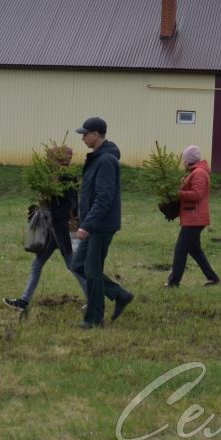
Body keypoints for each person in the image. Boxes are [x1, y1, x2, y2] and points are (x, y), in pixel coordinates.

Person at [3, 146, 88, 314]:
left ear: (58, 159)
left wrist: (51, 213)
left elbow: (71, 206)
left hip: (62, 230)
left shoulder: (66, 178)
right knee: (37, 265)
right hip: (51, 232)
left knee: (73, 266)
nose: (47, 161)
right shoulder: (53, 178)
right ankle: (24, 301)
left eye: (50, 158)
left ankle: (93, 299)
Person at [71, 117, 134, 329]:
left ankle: (94, 318)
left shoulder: (106, 160)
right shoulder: (98, 158)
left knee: (92, 270)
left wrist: (87, 224)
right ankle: (119, 294)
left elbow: (104, 197)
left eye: (85, 134)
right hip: (94, 223)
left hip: (101, 225)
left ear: (96, 134)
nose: (82, 138)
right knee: (79, 265)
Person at [166, 145, 221, 287]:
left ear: (189, 160)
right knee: (194, 250)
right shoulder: (194, 172)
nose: (182, 162)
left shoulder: (199, 173)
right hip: (192, 216)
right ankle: (213, 278)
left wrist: (178, 193)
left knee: (180, 250)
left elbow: (197, 195)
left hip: (195, 218)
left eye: (184, 159)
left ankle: (173, 282)